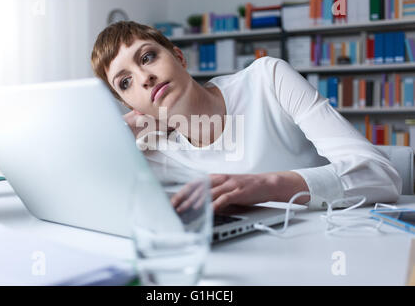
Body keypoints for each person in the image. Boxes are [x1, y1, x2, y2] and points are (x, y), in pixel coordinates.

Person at [91, 21, 401, 212]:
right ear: (126, 102)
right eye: (125, 82)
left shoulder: (268, 79)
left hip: (337, 238)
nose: (144, 77)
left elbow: (381, 175)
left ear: (179, 57)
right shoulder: (154, 149)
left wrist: (270, 185)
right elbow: (76, 178)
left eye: (147, 57)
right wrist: (127, 125)